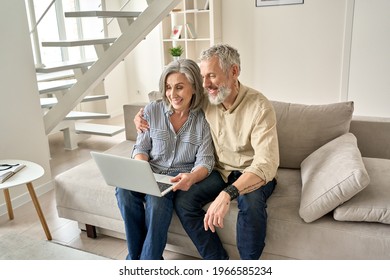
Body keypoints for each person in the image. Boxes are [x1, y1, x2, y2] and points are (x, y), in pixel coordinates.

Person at [135, 44, 279, 260]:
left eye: (211, 76)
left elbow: (266, 163)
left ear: (234, 71)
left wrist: (228, 193)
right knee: (184, 202)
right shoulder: (206, 98)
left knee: (250, 205)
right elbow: (171, 96)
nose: (205, 84)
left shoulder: (259, 106)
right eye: (203, 77)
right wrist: (141, 115)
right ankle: (218, 262)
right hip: (220, 172)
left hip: (252, 173)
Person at [116, 58, 215, 260]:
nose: (172, 94)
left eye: (179, 87)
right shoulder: (152, 110)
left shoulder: (204, 120)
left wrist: (192, 177)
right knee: (123, 190)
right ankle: (136, 260)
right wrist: (140, 168)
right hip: (149, 170)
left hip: (175, 178)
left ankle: (148, 262)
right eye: (168, 88)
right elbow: (142, 146)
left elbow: (205, 161)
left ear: (194, 88)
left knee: (156, 200)